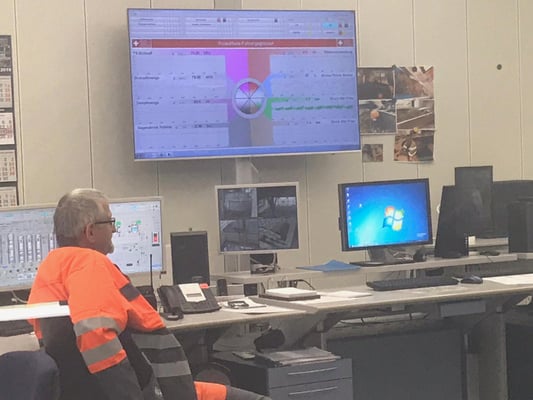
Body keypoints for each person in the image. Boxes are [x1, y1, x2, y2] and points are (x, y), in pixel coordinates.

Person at [28, 188, 270, 400]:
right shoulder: (88, 263)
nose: (114, 229)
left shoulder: (51, 267)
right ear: (90, 232)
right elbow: (94, 333)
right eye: (110, 222)